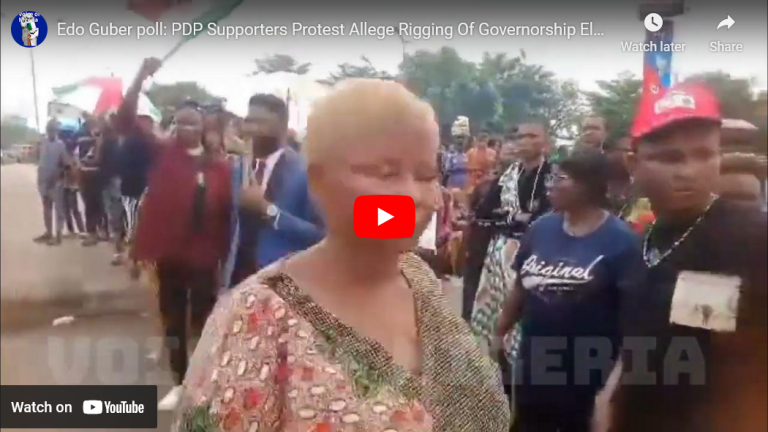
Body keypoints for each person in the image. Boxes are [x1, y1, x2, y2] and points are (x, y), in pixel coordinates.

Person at [173, 79, 510, 432]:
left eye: (427, 175)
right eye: (386, 174)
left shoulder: (419, 278)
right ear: (319, 180)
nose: (412, 196)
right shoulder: (255, 320)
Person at [610, 83, 767, 432]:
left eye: (704, 155)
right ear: (634, 163)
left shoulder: (754, 235)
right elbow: (635, 344)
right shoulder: (640, 244)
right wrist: (609, 401)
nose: (690, 171)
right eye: (670, 158)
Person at [497, 148, 643, 432]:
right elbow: (520, 287)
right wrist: (499, 331)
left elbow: (633, 320)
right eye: (550, 178)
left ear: (589, 186)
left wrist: (612, 389)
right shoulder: (541, 229)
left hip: (588, 370)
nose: (550, 185)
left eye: (560, 179)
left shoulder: (621, 241)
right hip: (535, 363)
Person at [117, 57, 233, 411]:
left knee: (205, 324)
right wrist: (140, 76)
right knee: (173, 323)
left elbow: (228, 217)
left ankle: (206, 381)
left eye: (192, 122)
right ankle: (180, 383)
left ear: (203, 126)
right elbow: (124, 119)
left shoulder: (221, 167)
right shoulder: (163, 153)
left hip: (205, 260)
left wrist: (224, 261)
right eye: (180, 122)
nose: (186, 128)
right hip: (169, 257)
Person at [222, 93, 325, 288]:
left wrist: (269, 210)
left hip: (283, 281)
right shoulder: (239, 167)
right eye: (249, 121)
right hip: (239, 277)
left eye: (261, 123)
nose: (252, 129)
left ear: (282, 128)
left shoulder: (305, 171)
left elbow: (320, 234)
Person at [604, 136, 655, 233]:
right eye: (628, 150)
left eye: (636, 152)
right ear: (609, 153)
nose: (633, 156)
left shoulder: (646, 188)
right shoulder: (593, 188)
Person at [34, 119, 68, 246]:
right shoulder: (42, 143)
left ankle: (58, 235)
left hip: (55, 180)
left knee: (58, 208)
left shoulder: (60, 145)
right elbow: (39, 158)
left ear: (56, 131)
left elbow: (65, 163)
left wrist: (57, 174)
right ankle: (48, 232)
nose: (51, 132)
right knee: (46, 207)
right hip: (43, 179)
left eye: (53, 130)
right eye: (49, 130)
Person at [77, 115, 106, 246]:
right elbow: (79, 153)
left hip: (98, 174)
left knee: (98, 204)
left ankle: (99, 231)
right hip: (86, 173)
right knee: (90, 204)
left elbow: (99, 158)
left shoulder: (102, 137)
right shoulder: (83, 135)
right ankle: (93, 232)